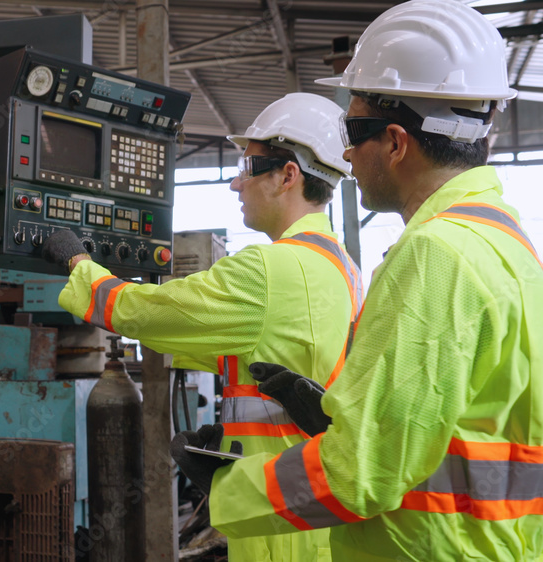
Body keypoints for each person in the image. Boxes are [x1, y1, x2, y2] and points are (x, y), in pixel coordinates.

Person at [171, 1, 543, 560]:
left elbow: (362, 471)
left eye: (352, 128)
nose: (344, 152)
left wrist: (228, 491)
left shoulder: (433, 257)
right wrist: (335, 419)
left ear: (395, 142)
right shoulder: (509, 246)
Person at [44, 92, 361, 561]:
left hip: (280, 524)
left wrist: (79, 264)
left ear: (288, 175)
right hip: (316, 509)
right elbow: (275, 351)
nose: (236, 183)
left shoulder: (268, 269)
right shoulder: (343, 268)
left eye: (247, 167)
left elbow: (145, 311)